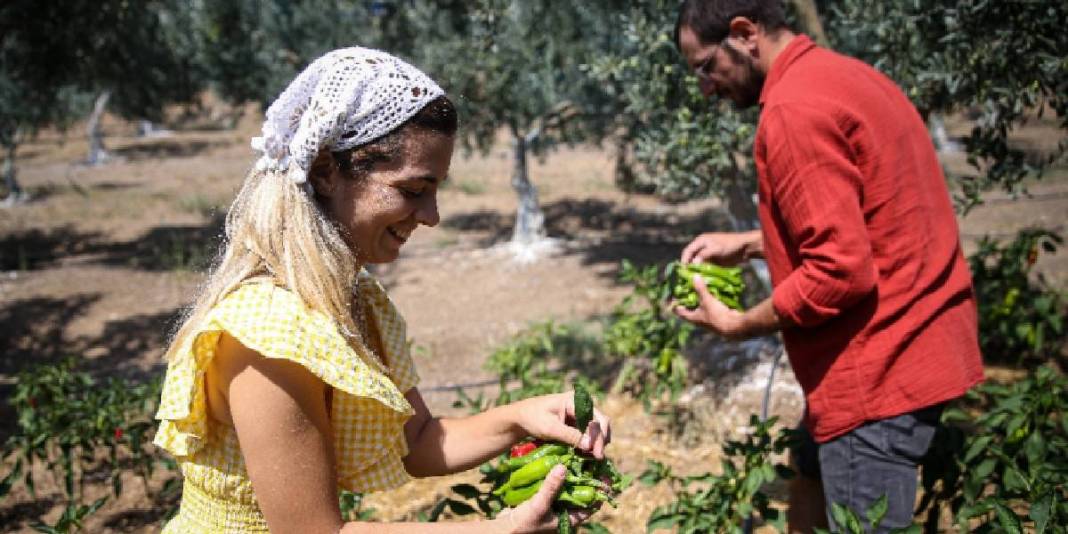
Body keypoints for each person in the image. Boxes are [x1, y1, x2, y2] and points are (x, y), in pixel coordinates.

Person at [153, 47, 609, 534]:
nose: (432, 215)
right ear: (327, 170)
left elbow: (419, 440)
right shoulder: (266, 334)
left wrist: (522, 417)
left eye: (436, 190)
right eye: (414, 190)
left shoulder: (357, 301)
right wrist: (499, 531)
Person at [669, 1, 983, 531]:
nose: (706, 87)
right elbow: (868, 225)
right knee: (807, 466)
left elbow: (839, 272)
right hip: (919, 344)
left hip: (876, 375)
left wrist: (739, 324)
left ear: (744, 33)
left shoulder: (793, 110)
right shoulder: (847, 77)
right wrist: (749, 244)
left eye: (705, 67)